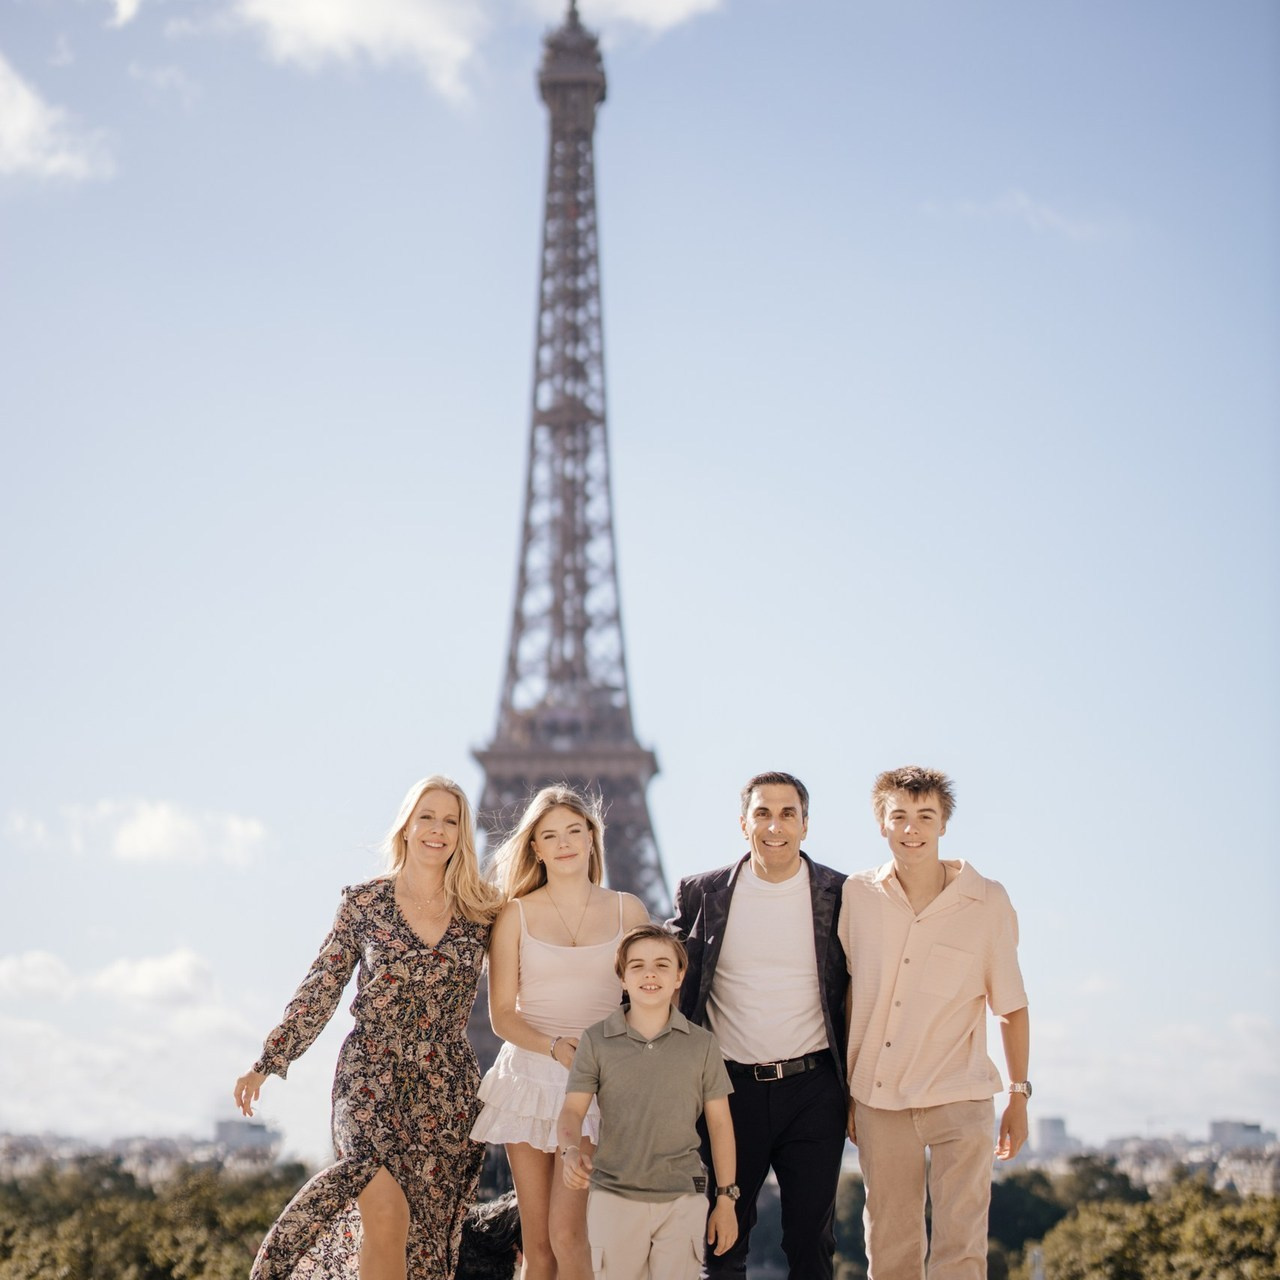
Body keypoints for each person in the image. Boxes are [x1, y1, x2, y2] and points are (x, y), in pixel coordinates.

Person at [232, 775, 502, 1280]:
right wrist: (268, 1061)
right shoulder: (363, 902)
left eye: (451, 820)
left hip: (446, 1089)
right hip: (370, 1075)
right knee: (383, 1211)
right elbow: (321, 987)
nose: (437, 830)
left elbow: (523, 991)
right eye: (427, 817)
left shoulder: (483, 911)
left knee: (425, 1242)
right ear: (405, 826)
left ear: (463, 833)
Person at [840, 766, 1030, 1280]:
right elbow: (849, 994)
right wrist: (850, 1094)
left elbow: (1010, 1005)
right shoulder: (856, 896)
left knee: (962, 1251)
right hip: (881, 1101)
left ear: (944, 823)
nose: (911, 828)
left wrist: (1018, 1094)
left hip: (960, 1094)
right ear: (881, 823)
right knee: (891, 1249)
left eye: (925, 816)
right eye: (898, 816)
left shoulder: (987, 900)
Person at [668, 771, 848, 1280]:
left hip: (813, 1089)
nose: (775, 825)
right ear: (743, 823)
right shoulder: (703, 894)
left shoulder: (841, 895)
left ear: (805, 825)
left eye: (787, 814)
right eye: (763, 813)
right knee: (721, 1243)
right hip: (728, 1090)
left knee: (811, 1244)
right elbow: (657, 973)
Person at [470, 785, 650, 1280]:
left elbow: (648, 1001)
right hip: (529, 1076)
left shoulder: (628, 911)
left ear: (593, 838)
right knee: (538, 1245)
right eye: (551, 835)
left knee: (571, 1234)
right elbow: (502, 1015)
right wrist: (553, 1046)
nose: (565, 842)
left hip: (593, 1086)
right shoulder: (515, 915)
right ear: (536, 848)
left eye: (575, 830)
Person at [557, 924, 739, 1280]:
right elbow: (572, 1110)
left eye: (662, 964)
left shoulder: (702, 1044)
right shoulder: (596, 1040)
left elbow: (720, 1125)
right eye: (637, 965)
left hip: (684, 1198)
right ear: (622, 978)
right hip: (613, 1197)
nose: (650, 973)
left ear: (679, 976)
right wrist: (569, 1152)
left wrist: (726, 1199)